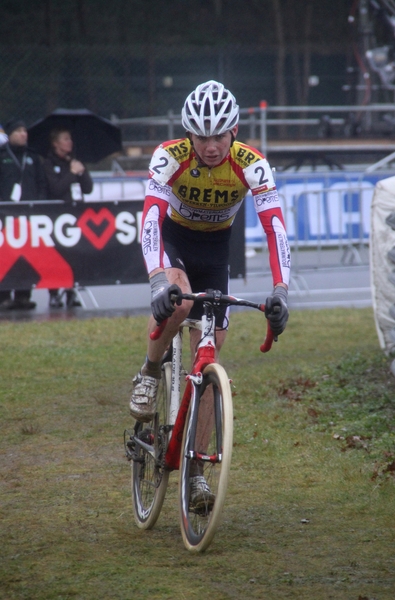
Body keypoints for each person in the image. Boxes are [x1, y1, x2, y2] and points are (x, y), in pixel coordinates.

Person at [129, 80, 291, 506]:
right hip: (175, 242)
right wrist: (158, 282)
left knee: (209, 359)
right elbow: (149, 220)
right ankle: (148, 372)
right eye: (202, 136)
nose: (211, 145)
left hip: (217, 251)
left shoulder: (252, 164)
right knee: (179, 298)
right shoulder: (171, 156)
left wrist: (281, 289)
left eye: (219, 134)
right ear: (189, 134)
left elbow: (275, 228)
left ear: (234, 131)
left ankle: (196, 470)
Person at [42, 127, 93, 308]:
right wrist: (71, 173)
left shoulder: (74, 162)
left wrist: (81, 171)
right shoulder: (48, 164)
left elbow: (88, 188)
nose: (69, 142)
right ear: (55, 143)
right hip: (56, 216)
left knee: (75, 254)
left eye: (70, 138)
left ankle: (71, 292)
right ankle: (54, 293)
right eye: (65, 139)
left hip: (76, 215)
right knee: (57, 256)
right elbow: (55, 189)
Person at [0, 118, 47, 310]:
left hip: (28, 214)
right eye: (18, 131)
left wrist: (41, 204)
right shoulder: (2, 155)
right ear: (10, 135)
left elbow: (41, 182)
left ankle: (23, 294)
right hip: (5, 214)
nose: (23, 134)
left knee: (26, 255)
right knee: (5, 254)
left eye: (25, 131)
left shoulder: (33, 157)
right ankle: (3, 295)